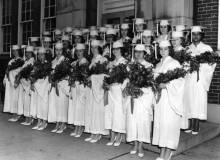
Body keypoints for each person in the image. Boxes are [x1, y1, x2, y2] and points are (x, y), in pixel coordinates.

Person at [153, 40, 185, 160]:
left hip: (170, 98)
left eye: (165, 49)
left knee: (169, 123)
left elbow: (181, 80)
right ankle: (162, 151)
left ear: (169, 50)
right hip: (160, 99)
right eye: (161, 49)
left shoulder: (174, 63)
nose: (163, 51)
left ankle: (169, 151)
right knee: (162, 123)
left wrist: (167, 84)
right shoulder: (158, 64)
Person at [183, 26, 216, 135]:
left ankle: (196, 125)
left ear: (201, 35)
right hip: (190, 78)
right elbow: (183, 65)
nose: (195, 36)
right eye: (194, 34)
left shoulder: (207, 48)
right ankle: (190, 124)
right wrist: (189, 66)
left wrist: (200, 67)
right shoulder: (187, 49)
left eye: (198, 34)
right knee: (189, 100)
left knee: (198, 101)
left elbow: (212, 64)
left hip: (200, 78)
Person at [126, 44, 154, 158]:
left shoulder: (149, 66)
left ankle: (141, 145)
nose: (138, 54)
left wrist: (141, 91)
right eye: (136, 52)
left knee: (142, 121)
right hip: (132, 97)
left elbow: (151, 84)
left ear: (144, 53)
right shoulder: (130, 66)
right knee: (133, 121)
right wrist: (129, 89)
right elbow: (126, 81)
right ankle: (135, 144)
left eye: (141, 52)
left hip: (143, 98)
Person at [84, 40, 109, 143]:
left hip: (98, 90)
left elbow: (105, 76)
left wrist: (92, 77)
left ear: (99, 48)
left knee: (97, 111)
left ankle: (98, 133)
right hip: (91, 89)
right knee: (91, 110)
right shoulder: (92, 60)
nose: (93, 49)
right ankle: (92, 132)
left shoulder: (103, 59)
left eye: (95, 47)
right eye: (92, 47)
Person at [105, 41, 127, 147]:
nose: (115, 51)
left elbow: (127, 78)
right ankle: (112, 136)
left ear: (121, 50)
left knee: (118, 113)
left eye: (118, 49)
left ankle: (119, 135)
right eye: (114, 49)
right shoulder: (111, 62)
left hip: (118, 90)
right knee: (111, 112)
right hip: (111, 90)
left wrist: (122, 88)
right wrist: (107, 84)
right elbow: (107, 76)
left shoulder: (125, 62)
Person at [68, 43, 89, 138]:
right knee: (75, 106)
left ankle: (80, 127)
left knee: (80, 107)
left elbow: (83, 75)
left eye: (80, 51)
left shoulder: (84, 61)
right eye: (77, 51)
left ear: (84, 52)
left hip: (81, 86)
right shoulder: (75, 62)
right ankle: (76, 126)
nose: (79, 53)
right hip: (75, 86)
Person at [48, 42, 70, 134]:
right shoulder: (53, 61)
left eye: (60, 50)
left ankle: (63, 123)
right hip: (54, 85)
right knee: (56, 104)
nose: (58, 52)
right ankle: (57, 122)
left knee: (62, 104)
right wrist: (51, 78)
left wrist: (58, 79)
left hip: (61, 85)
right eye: (56, 50)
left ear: (62, 51)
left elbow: (67, 74)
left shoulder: (65, 60)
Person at [32, 47, 51, 130]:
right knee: (38, 104)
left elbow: (48, 76)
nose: (40, 56)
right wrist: (33, 83)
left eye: (42, 54)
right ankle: (39, 121)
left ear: (45, 55)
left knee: (44, 104)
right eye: (39, 54)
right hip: (37, 85)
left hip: (44, 86)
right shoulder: (36, 64)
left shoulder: (48, 64)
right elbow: (33, 75)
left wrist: (41, 84)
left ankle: (44, 122)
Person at [3, 45, 23, 122]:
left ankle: (17, 114)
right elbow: (7, 71)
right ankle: (14, 114)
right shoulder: (11, 61)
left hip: (16, 82)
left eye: (16, 51)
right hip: (10, 82)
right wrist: (5, 79)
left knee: (16, 98)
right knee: (12, 98)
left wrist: (15, 79)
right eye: (13, 51)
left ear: (18, 51)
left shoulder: (21, 60)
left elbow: (19, 72)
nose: (14, 52)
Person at [17, 46, 35, 125]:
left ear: (32, 53)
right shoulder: (26, 61)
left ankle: (30, 119)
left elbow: (30, 74)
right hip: (24, 84)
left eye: (29, 53)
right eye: (26, 53)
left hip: (28, 84)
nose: (27, 54)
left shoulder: (32, 61)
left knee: (29, 102)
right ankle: (27, 118)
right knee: (25, 102)